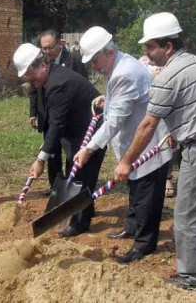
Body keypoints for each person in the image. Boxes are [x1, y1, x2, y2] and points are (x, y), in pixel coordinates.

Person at [114, 12, 196, 291]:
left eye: (150, 47)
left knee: (187, 214)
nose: (146, 54)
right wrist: (178, 132)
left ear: (168, 46)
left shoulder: (168, 75)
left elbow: (148, 125)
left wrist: (125, 163)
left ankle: (192, 277)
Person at [73, 27, 173, 264]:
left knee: (146, 195)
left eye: (95, 60)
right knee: (135, 189)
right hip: (134, 141)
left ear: (108, 52)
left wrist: (89, 148)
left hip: (148, 145)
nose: (94, 66)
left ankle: (144, 244)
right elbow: (125, 100)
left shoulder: (124, 72)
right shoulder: (119, 64)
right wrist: (107, 100)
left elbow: (115, 121)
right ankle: (131, 227)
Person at [13, 43, 106, 237]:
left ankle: (80, 223)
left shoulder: (58, 82)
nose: (30, 80)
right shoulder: (50, 77)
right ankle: (84, 210)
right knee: (77, 171)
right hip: (75, 130)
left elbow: (56, 124)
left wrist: (40, 160)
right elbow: (57, 119)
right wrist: (47, 143)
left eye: (31, 74)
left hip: (90, 130)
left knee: (81, 175)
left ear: (42, 65)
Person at [28, 30, 88, 191]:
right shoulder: (42, 63)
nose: (47, 52)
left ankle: (71, 184)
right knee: (52, 152)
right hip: (48, 115)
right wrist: (33, 112)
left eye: (50, 47)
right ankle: (55, 186)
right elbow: (34, 89)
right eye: (44, 48)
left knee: (70, 151)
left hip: (68, 116)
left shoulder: (74, 60)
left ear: (60, 43)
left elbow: (81, 86)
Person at [139, 55, 176, 198]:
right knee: (149, 141)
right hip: (148, 109)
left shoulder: (170, 61)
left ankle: (168, 178)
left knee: (168, 143)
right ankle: (147, 173)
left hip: (168, 108)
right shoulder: (141, 62)